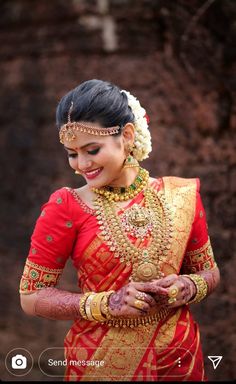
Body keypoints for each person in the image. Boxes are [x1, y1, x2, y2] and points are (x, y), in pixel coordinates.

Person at [19, 79, 220, 382]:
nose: (81, 164)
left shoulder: (181, 196)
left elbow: (210, 273)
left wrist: (187, 287)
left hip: (179, 358)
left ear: (126, 135)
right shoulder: (66, 206)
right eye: (72, 153)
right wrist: (107, 303)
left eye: (92, 149)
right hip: (100, 362)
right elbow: (31, 296)